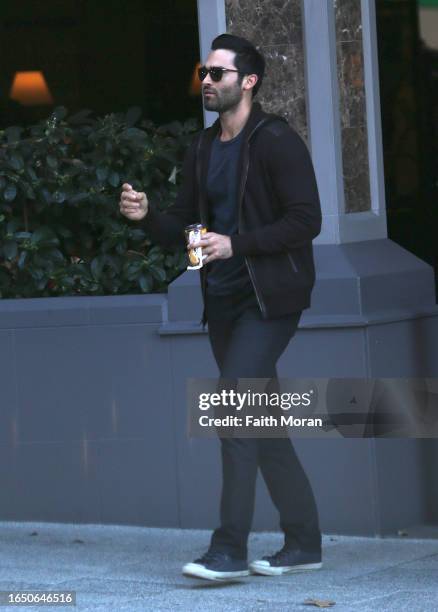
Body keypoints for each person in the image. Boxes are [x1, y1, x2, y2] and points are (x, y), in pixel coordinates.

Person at [119, 33, 322, 582]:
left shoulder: (276, 140)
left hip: (271, 298)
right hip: (225, 300)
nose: (206, 81)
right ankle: (305, 542)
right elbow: (189, 225)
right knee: (261, 421)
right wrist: (147, 217)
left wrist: (237, 243)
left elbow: (307, 220)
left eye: (218, 73)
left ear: (247, 82)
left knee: (235, 412)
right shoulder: (205, 146)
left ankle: (228, 549)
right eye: (203, 72)